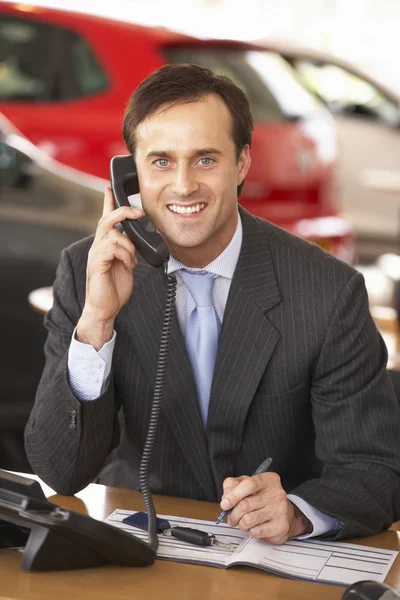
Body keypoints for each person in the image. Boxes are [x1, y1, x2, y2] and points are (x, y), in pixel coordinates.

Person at [25, 64, 400, 545]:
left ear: (241, 163)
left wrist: (300, 513)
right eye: (161, 161)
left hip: (273, 561)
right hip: (141, 545)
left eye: (205, 160)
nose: (183, 185)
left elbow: (376, 468)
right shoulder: (87, 272)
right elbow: (60, 470)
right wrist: (97, 322)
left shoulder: (327, 290)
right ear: (129, 173)